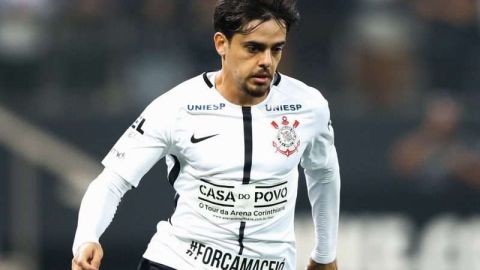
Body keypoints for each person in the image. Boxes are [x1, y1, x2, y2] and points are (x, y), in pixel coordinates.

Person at [71, 0, 340, 269]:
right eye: (253, 48)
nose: (266, 61)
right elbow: (112, 181)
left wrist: (325, 254)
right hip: (180, 262)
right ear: (221, 43)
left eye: (276, 49)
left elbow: (324, 173)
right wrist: (86, 238)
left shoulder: (308, 106)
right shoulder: (177, 107)